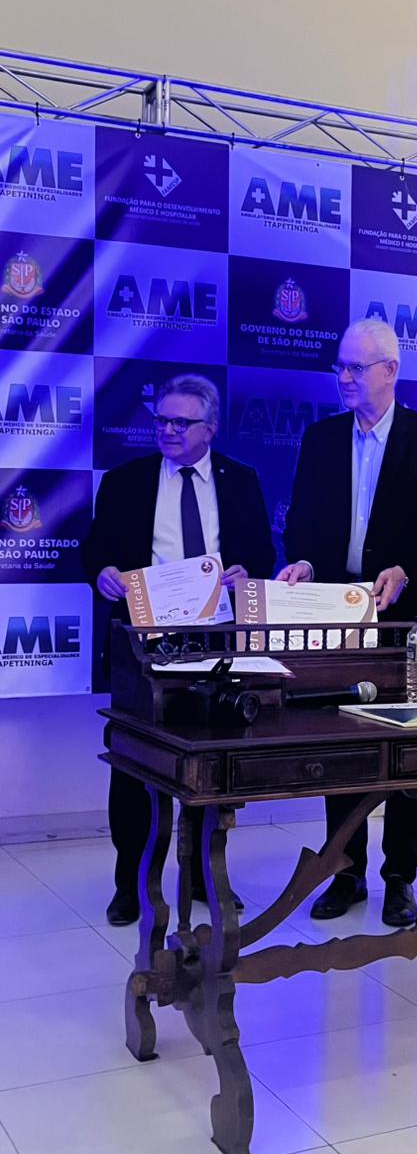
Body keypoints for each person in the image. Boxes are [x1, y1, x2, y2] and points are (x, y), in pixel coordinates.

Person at [279, 318, 417, 926]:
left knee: (406, 745)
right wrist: (305, 561)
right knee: (342, 745)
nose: (344, 377)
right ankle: (345, 870)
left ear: (390, 371)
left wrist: (408, 568)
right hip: (338, 617)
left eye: (355, 368)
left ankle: (399, 878)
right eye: (340, 366)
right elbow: (300, 522)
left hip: (409, 619)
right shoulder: (321, 439)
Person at [82, 373, 275, 926]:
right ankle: (131, 884)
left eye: (181, 422)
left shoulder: (241, 480)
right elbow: (92, 553)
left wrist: (245, 572)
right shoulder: (125, 481)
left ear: (209, 428)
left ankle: (203, 880)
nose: (167, 430)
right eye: (161, 420)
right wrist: (104, 573)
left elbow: (262, 554)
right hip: (142, 642)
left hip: (214, 641)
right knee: (133, 764)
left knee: (209, 765)